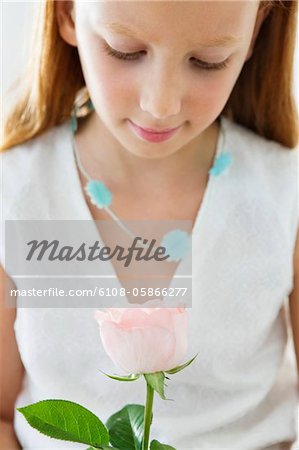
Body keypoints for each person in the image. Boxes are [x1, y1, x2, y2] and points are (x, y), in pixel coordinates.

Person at [1, 1, 298, 449]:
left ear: (256, 31)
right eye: (124, 50)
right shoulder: (18, 194)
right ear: (66, 14)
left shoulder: (282, 194)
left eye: (207, 61)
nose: (160, 104)